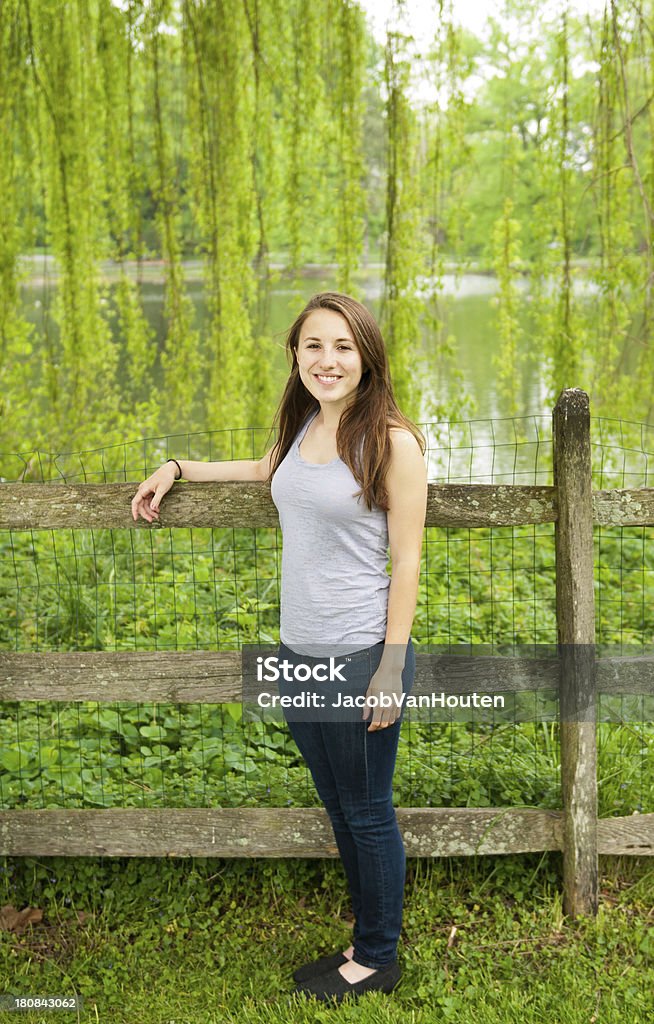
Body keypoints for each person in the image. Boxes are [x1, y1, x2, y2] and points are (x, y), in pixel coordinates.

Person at [131, 292, 428, 1004]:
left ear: (368, 357)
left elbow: (409, 563)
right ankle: (363, 941)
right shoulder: (306, 426)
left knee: (367, 809)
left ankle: (379, 958)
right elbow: (267, 469)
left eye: (343, 347)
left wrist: (390, 666)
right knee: (336, 803)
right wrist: (176, 467)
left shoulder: (392, 441)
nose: (328, 361)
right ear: (295, 356)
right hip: (300, 653)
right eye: (313, 346)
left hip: (360, 658)